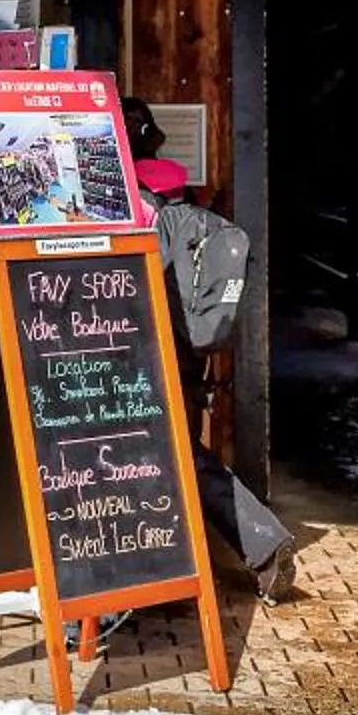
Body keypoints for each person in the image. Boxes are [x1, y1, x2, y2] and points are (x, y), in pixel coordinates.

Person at [123, 100, 300, 601]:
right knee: (175, 452)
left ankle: (260, 545)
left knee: (172, 454)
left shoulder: (132, 199)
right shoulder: (178, 193)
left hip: (141, 351)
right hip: (185, 348)